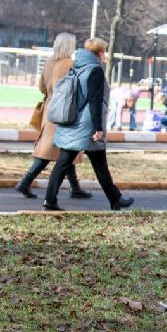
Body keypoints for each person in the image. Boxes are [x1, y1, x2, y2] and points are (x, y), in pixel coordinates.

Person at [44, 37, 134, 212]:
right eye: (104, 51)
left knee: (86, 162)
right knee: (70, 161)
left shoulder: (77, 66)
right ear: (100, 53)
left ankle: (115, 199)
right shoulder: (95, 70)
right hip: (86, 125)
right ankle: (50, 200)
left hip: (73, 120)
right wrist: (98, 128)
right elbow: (95, 101)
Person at [15, 32, 90, 200]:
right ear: (69, 46)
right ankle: (25, 182)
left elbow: (42, 86)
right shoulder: (71, 64)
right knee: (56, 150)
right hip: (65, 110)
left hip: (50, 109)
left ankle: (75, 187)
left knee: (64, 150)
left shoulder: (49, 62)